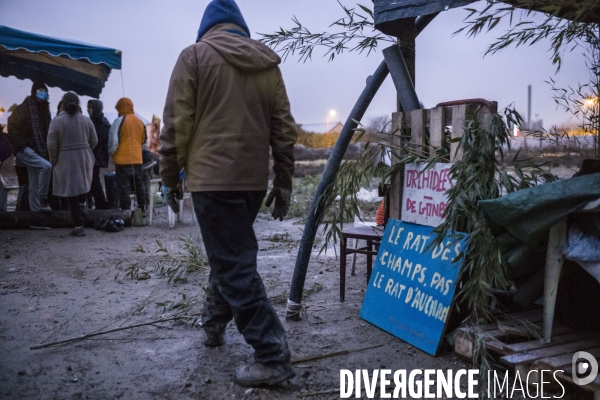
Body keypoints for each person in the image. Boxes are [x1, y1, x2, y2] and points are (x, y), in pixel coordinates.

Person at [159, 0, 297, 388]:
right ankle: (213, 325)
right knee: (229, 253)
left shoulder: (195, 56)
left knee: (234, 263)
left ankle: (272, 355)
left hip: (211, 181)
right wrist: (282, 180)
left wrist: (170, 177)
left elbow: (175, 124)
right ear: (241, 28)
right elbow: (284, 129)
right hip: (251, 182)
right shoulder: (267, 66)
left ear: (206, 28)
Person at [47, 92, 97, 236]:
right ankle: (82, 215)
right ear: (78, 103)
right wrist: (85, 150)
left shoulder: (56, 121)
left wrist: (54, 161)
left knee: (71, 193)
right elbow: (94, 140)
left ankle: (78, 226)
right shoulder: (86, 120)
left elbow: (51, 145)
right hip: (84, 157)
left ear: (62, 104)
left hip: (65, 159)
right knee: (82, 187)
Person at [6, 80, 53, 212]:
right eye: (40, 91)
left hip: (38, 151)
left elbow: (47, 130)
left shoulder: (45, 109)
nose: (43, 94)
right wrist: (23, 146)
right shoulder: (23, 108)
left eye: (45, 92)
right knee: (46, 167)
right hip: (26, 150)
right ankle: (43, 199)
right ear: (33, 92)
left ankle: (35, 215)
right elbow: (13, 127)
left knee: (33, 184)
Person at [108, 97, 147, 212]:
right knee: (139, 185)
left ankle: (126, 211)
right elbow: (143, 141)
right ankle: (141, 209)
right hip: (137, 160)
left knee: (124, 186)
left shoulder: (118, 121)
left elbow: (114, 142)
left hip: (122, 161)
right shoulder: (140, 121)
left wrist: (112, 153)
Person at [87, 100, 110, 209]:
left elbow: (97, 139)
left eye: (91, 107)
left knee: (94, 180)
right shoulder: (94, 121)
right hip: (94, 155)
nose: (88, 109)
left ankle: (101, 203)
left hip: (97, 155)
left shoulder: (101, 122)